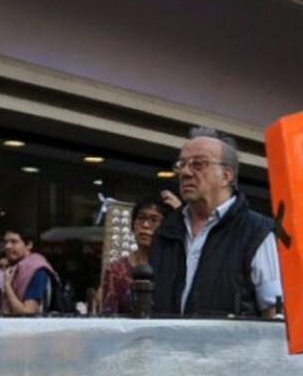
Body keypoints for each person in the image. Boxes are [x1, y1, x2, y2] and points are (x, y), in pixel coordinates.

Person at [147, 128, 281, 317]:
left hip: (232, 346)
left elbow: (273, 311)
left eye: (198, 164)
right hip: (165, 346)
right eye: (181, 164)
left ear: (226, 176)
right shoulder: (166, 232)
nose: (185, 172)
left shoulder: (257, 232)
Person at [98, 201, 163, 315]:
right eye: (141, 218)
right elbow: (109, 316)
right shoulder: (116, 270)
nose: (146, 225)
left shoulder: (171, 269)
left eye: (154, 220)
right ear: (133, 226)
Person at [0, 224, 63, 315]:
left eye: (14, 242)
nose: (7, 246)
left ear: (29, 245)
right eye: (6, 242)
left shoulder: (37, 270)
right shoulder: (14, 269)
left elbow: (27, 313)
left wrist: (7, 286)